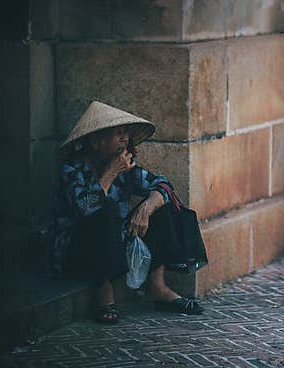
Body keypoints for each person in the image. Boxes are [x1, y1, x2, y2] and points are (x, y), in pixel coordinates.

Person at [48, 101, 204, 323]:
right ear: (96, 141)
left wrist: (147, 208)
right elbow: (85, 208)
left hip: (115, 243)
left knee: (162, 206)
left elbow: (164, 185)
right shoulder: (72, 170)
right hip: (75, 250)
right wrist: (110, 174)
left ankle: (157, 287)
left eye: (126, 134)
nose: (125, 140)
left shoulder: (126, 168)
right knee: (104, 211)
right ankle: (104, 292)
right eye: (118, 134)